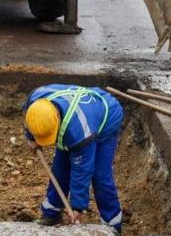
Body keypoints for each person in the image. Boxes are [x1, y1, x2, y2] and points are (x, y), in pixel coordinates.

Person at [23, 84, 125, 233]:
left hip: (107, 117)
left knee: (99, 175)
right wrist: (31, 137)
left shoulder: (79, 131)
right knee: (60, 168)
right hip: (78, 117)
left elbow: (82, 170)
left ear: (57, 119)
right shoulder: (35, 99)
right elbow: (30, 120)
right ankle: (51, 213)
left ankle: (112, 225)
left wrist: (78, 206)